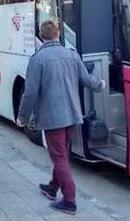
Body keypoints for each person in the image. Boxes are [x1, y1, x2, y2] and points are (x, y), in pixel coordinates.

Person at [16, 19, 105, 215]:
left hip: (52, 118)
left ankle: (69, 200)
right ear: (57, 34)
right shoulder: (71, 55)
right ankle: (52, 187)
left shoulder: (37, 59)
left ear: (41, 36)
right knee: (62, 155)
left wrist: (22, 117)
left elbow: (30, 93)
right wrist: (100, 84)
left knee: (59, 158)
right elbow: (86, 79)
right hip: (72, 115)